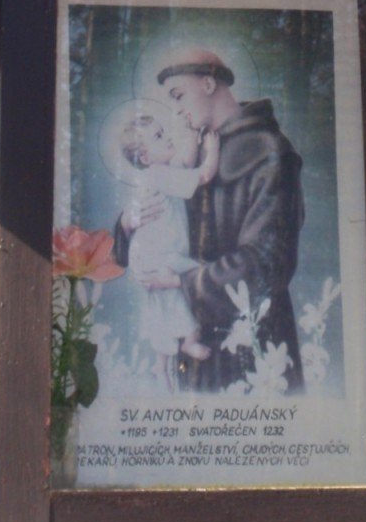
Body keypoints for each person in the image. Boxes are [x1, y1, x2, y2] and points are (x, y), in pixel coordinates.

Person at [119, 47, 305, 392]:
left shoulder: (269, 153)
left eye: (179, 95)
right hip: (197, 348)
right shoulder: (199, 147)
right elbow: (167, 205)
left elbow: (267, 263)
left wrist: (180, 281)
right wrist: (129, 224)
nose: (175, 108)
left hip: (254, 345)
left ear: (207, 84)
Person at [116, 108, 218, 389]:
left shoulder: (162, 173)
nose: (167, 137)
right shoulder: (158, 175)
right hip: (158, 255)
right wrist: (212, 148)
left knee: (163, 306)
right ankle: (189, 340)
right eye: (159, 137)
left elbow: (185, 165)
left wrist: (194, 137)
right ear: (146, 157)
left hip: (150, 254)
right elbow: (204, 175)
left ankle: (160, 365)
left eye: (164, 131)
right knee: (195, 278)